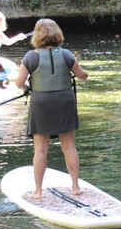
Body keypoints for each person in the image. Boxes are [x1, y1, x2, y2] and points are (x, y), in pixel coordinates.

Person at [14, 18, 89, 200]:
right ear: (57, 34)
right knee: (69, 146)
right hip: (65, 100)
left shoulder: (31, 57)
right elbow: (82, 76)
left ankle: (38, 191)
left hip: (41, 102)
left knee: (40, 149)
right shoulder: (66, 55)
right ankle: (75, 187)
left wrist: (26, 89)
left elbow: (19, 83)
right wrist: (83, 72)